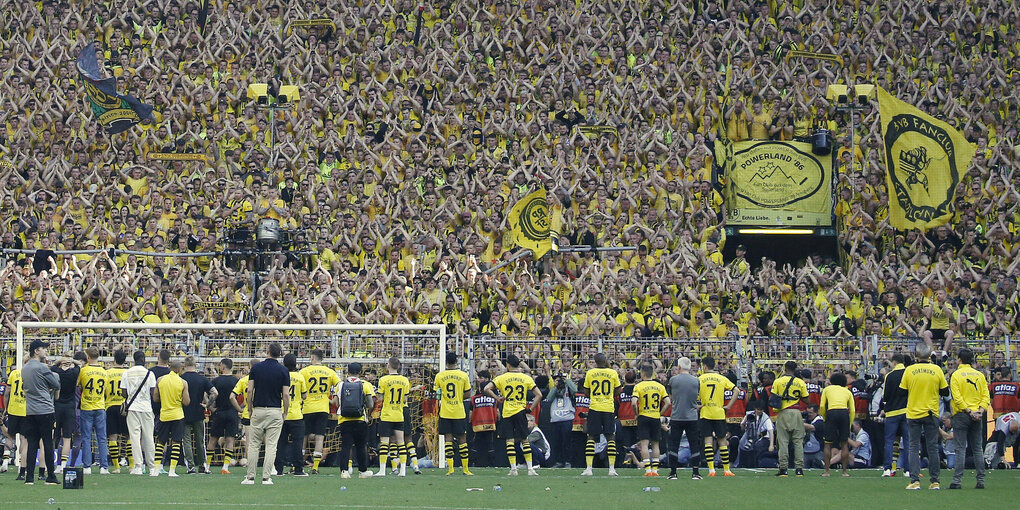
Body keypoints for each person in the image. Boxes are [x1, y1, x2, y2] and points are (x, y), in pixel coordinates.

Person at [484, 354, 542, 476]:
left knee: (509, 440)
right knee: (525, 439)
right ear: (518, 364)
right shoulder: (526, 378)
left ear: (508, 365)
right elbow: (539, 395)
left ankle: (513, 469)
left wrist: (497, 398)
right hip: (520, 411)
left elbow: (486, 388)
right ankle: (530, 468)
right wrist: (530, 408)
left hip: (508, 412)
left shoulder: (502, 377)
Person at [900, 343, 949, 490]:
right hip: (931, 412)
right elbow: (945, 392)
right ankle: (935, 481)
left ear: (916, 355)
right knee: (932, 447)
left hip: (914, 412)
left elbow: (902, 392)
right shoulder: (936, 369)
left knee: (914, 447)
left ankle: (915, 481)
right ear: (929, 355)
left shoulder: (909, 370)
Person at [243, 343, 290, 485]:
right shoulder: (283, 370)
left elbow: (250, 391)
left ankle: (250, 477)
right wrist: (285, 412)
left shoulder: (256, 368)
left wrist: (250, 408)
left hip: (258, 409)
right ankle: (266, 477)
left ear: (268, 352)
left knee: (253, 445)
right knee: (271, 445)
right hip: (275, 410)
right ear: (280, 354)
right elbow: (286, 394)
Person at [21, 340, 60, 485]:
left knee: (31, 443)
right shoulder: (42, 368)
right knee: (47, 443)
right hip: (45, 409)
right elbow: (56, 384)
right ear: (36, 351)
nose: (46, 351)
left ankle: (29, 477)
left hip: (30, 410)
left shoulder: (24, 368)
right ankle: (50, 476)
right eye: (43, 349)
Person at [948, 348, 988, 489]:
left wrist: (968, 410)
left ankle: (957, 481)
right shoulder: (980, 375)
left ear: (959, 360)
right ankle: (981, 481)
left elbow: (957, 397)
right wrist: (980, 410)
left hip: (962, 414)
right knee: (977, 448)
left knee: (960, 449)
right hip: (977, 413)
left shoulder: (956, 375)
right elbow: (985, 396)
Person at [580, 352, 622, 476]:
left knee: (591, 437)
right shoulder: (613, 373)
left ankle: (589, 468)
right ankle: (611, 469)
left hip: (595, 407)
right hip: (608, 408)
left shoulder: (590, 373)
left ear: (595, 361)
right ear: (606, 361)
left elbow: (586, 391)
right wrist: (609, 396)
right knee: (610, 437)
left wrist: (594, 395)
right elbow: (619, 390)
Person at [300, 349, 340, 474]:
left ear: (312, 358)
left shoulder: (304, 371)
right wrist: (332, 400)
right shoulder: (329, 372)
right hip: (323, 408)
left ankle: (299, 465)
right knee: (319, 438)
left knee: (304, 437)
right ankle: (315, 467)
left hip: (307, 407)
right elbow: (340, 386)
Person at [434, 352, 473, 475]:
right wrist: (458, 398)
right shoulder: (463, 375)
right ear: (456, 361)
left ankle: (450, 469)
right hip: (459, 411)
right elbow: (468, 393)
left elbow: (437, 394)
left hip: (445, 411)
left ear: (446, 362)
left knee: (448, 439)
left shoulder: (440, 376)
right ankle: (465, 469)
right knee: (462, 439)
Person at [333, 361, 374, 479]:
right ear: (360, 372)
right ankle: (362, 471)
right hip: (360, 418)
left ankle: (344, 471)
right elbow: (371, 404)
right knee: (361, 446)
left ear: (348, 371)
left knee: (345, 446)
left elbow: (336, 402)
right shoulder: (365, 384)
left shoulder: (340, 385)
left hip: (344, 419)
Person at [120, 350, 157, 475]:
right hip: (146, 407)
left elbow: (123, 392)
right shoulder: (149, 374)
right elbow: (153, 392)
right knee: (148, 437)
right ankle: (152, 467)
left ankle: (138, 466)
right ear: (144, 360)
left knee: (134, 437)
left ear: (134, 359)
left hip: (132, 407)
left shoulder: (126, 373)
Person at [699, 356, 737, 477]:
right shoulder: (721, 378)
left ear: (704, 366)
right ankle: (727, 470)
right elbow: (736, 390)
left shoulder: (700, 379)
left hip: (706, 412)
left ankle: (711, 470)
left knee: (708, 441)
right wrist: (729, 405)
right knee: (722, 440)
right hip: (719, 412)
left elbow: (692, 394)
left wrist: (696, 405)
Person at [152, 360, 190, 478]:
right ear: (179, 369)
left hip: (164, 414)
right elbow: (187, 401)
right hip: (177, 415)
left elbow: (155, 398)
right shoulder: (183, 382)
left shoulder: (160, 380)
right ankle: (172, 470)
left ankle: (156, 469)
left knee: (161, 442)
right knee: (176, 442)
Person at [667, 356, 702, 480]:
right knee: (694, 444)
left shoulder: (673, 380)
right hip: (692, 416)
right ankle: (696, 472)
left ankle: (673, 473)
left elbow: (671, 395)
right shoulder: (696, 380)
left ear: (679, 367)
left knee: (674, 444)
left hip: (677, 415)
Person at [771, 360, 808, 477]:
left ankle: (783, 469)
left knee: (783, 442)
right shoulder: (800, 382)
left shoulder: (778, 381)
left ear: (785, 368)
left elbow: (773, 398)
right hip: (796, 412)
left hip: (783, 412)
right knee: (798, 442)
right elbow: (807, 399)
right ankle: (799, 469)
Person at [632, 363, 669, 477]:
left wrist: (637, 413)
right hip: (655, 417)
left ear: (643, 374)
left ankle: (648, 471)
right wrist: (660, 413)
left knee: (644, 444)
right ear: (652, 373)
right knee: (655, 444)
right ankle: (655, 470)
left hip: (643, 416)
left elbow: (633, 403)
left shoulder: (639, 386)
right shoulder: (660, 386)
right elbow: (668, 402)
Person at [376, 357, 411, 477]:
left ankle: (382, 470)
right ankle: (403, 471)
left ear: (388, 366)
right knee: (401, 443)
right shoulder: (405, 380)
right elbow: (405, 399)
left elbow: (380, 398)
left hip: (386, 415)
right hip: (399, 415)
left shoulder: (383, 380)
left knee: (384, 443)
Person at [78, 345, 110, 475]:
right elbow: (106, 390)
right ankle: (104, 467)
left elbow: (79, 386)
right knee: (101, 438)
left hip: (86, 406)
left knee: (86, 438)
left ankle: (87, 467)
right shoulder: (104, 371)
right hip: (100, 406)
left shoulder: (84, 371)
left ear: (88, 357)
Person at [181, 356, 214, 474]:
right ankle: (203, 465)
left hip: (183, 412)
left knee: (186, 441)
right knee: (200, 441)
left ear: (184, 365)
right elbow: (214, 392)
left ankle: (190, 466)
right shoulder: (202, 379)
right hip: (198, 412)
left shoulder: (181, 378)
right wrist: (207, 404)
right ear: (195, 364)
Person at [49, 352, 81, 474]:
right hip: (69, 407)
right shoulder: (74, 372)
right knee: (67, 437)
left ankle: (51, 464)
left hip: (57, 406)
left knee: (54, 436)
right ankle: (63, 465)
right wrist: (72, 360)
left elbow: (53, 366)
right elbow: (80, 365)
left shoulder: (56, 372)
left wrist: (60, 360)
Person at [207, 358, 239, 474]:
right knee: (230, 439)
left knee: (213, 439)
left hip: (219, 412)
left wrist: (210, 407)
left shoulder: (216, 381)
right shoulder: (236, 381)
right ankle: (225, 467)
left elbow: (209, 395)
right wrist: (240, 409)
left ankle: (207, 465)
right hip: (232, 412)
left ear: (222, 367)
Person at [880, 353, 910, 477]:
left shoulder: (889, 376)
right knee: (908, 441)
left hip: (892, 412)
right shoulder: (909, 374)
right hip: (907, 411)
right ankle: (908, 470)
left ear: (894, 362)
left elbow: (885, 396)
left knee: (889, 441)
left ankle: (887, 468)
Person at [278, 353, 307, 477]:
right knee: (297, 443)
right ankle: (298, 469)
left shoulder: (280, 376)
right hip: (296, 414)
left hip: (281, 413)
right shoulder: (300, 377)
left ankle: (278, 469)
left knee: (280, 443)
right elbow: (304, 395)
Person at [820, 372, 854, 477]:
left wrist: (825, 418)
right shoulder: (847, 391)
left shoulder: (827, 389)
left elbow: (821, 406)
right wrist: (850, 423)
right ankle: (844, 472)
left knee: (827, 443)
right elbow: (852, 410)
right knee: (844, 444)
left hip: (831, 412)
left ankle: (827, 471)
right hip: (844, 413)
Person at [544, 371, 577, 468]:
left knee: (566, 442)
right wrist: (555, 386)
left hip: (567, 418)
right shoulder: (554, 388)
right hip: (555, 418)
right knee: (557, 442)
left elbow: (575, 391)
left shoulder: (568, 388)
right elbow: (549, 398)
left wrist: (567, 380)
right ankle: (559, 461)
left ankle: (567, 461)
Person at [105, 349, 130, 473]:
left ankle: (116, 467)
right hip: (124, 406)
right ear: (125, 361)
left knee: (112, 437)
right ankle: (131, 465)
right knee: (129, 436)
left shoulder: (107, 373)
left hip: (110, 405)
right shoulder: (128, 373)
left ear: (114, 359)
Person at [803, 404, 825, 469]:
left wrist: (798, 423)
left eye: (810, 413)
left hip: (817, 451)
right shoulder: (806, 420)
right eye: (807, 412)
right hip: (805, 451)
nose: (808, 414)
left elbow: (812, 427)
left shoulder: (820, 420)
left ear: (816, 412)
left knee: (818, 468)